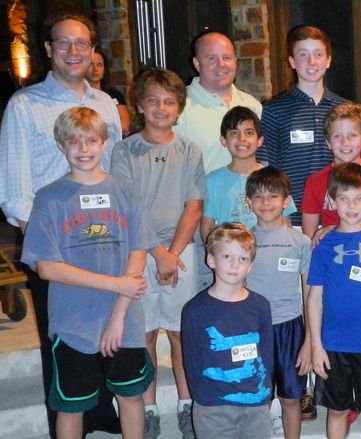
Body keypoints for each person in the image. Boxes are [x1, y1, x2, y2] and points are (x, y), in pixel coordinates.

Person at [0, 13, 123, 437]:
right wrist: (50, 249)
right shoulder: (25, 105)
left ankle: (104, 418)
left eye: (82, 44)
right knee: (65, 347)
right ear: (49, 49)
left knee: (109, 334)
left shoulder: (105, 104)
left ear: (93, 51)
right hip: (55, 249)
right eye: (64, 43)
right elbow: (14, 192)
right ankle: (70, 424)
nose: (74, 52)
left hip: (105, 243)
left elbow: (117, 176)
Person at [21, 107, 158, 439]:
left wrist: (119, 315)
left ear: (105, 142)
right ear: (61, 145)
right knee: (71, 406)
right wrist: (116, 284)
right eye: (74, 142)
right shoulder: (49, 198)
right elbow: (47, 267)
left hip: (124, 320)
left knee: (131, 395)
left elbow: (138, 250)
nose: (84, 150)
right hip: (73, 323)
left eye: (91, 141)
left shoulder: (125, 191)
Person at [110, 68, 206, 439]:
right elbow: (128, 207)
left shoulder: (189, 150)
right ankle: (148, 409)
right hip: (140, 253)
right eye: (153, 100)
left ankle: (186, 405)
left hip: (182, 252)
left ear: (178, 108)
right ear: (139, 104)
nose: (161, 107)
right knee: (145, 332)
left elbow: (193, 206)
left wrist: (173, 253)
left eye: (169, 101)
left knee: (182, 333)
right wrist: (157, 254)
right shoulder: (125, 150)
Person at [307, 163, 361, 439]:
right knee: (337, 411)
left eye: (359, 198)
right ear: (332, 201)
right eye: (343, 198)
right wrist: (316, 345)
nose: (351, 205)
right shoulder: (323, 245)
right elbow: (314, 299)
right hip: (333, 344)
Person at [181, 222, 274, 439]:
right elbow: (192, 360)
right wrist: (203, 397)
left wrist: (265, 393)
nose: (235, 264)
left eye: (243, 258)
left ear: (250, 265)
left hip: (255, 404)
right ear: (210, 259)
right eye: (227, 257)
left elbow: (267, 354)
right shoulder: (195, 310)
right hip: (213, 408)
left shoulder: (260, 306)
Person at [244, 166, 312, 439]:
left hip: (290, 329)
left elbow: (309, 293)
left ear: (286, 201)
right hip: (253, 328)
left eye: (273, 196)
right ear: (249, 202)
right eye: (258, 197)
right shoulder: (243, 240)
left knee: (291, 398)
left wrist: (309, 340)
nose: (266, 203)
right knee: (255, 398)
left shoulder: (301, 241)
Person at [257, 25, 348, 227]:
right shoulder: (273, 111)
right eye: (303, 54)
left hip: (340, 218)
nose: (312, 61)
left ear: (328, 60)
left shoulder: (345, 109)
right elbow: (266, 170)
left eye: (318, 54)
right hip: (292, 219)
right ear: (292, 62)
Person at [301, 102, 361, 240]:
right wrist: (332, 230)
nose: (345, 142)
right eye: (337, 136)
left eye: (352, 135)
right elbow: (309, 238)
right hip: (331, 253)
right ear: (328, 142)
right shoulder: (315, 182)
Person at [200, 106, 296, 242]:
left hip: (268, 253)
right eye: (234, 133)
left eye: (249, 132)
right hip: (230, 258)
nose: (242, 138)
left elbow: (286, 225)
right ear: (223, 140)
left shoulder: (274, 178)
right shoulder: (213, 180)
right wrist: (214, 256)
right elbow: (207, 227)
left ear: (260, 140)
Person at [174, 31, 263, 175]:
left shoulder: (252, 105)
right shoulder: (179, 106)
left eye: (227, 58)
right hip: (200, 197)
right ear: (197, 64)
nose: (221, 65)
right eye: (211, 59)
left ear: (235, 61)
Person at [86, 46, 131, 137]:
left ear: (104, 69)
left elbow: (124, 126)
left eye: (99, 65)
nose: (95, 69)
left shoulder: (114, 94)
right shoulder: (78, 95)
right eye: (91, 64)